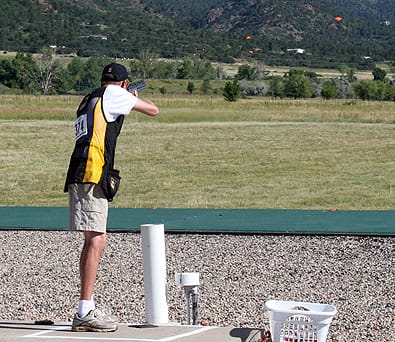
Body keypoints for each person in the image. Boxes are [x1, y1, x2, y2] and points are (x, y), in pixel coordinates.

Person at [64, 62, 159, 332]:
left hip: (83, 170)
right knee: (97, 239)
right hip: (92, 171)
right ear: (124, 84)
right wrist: (133, 98)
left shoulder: (90, 99)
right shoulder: (114, 95)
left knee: (93, 238)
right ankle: (85, 310)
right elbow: (154, 110)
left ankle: (86, 308)